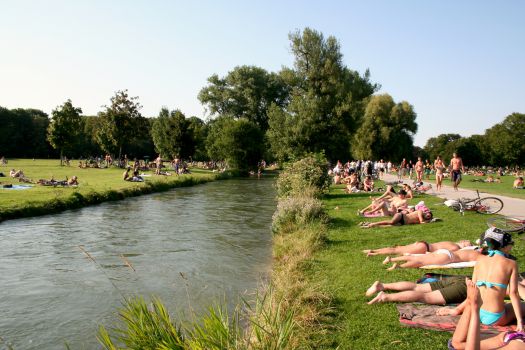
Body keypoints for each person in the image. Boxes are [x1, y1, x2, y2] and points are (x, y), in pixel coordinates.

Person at [450, 228, 523, 338]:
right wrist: (520, 322)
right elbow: (514, 293)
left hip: (477, 313)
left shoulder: (480, 259)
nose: (511, 246)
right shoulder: (511, 264)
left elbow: (472, 289)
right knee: (522, 306)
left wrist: (461, 309)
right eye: (511, 244)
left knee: (505, 305)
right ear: (504, 245)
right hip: (496, 317)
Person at [450, 278, 525, 350]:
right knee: (458, 344)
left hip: (513, 339)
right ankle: (472, 304)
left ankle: (472, 304)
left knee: (457, 344)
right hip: (516, 341)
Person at [366, 275, 468, 306]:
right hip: (466, 287)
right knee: (426, 297)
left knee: (417, 287)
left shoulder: (482, 261)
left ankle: (382, 286)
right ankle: (385, 297)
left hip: (463, 278)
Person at [381, 245, 480, 270]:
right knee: (421, 262)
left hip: (445, 251)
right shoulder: (478, 256)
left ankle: (391, 259)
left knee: (420, 257)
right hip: (448, 257)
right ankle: (399, 267)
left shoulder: (472, 250)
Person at [362, 240, 473, 256]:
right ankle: (374, 253)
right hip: (425, 248)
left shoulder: (451, 242)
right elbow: (442, 252)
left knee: (396, 248)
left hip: (424, 244)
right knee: (396, 251)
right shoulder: (454, 247)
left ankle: (374, 250)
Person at [360, 207, 432, 228]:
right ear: (426, 212)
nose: (428, 216)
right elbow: (422, 221)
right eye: (428, 215)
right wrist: (430, 221)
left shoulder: (423, 219)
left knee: (389, 226)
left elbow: (422, 222)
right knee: (391, 222)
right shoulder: (420, 212)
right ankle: (372, 223)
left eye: (429, 217)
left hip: (403, 223)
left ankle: (369, 225)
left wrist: (428, 220)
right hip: (401, 216)